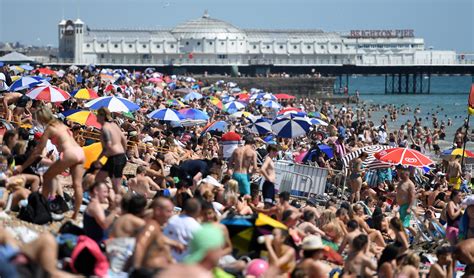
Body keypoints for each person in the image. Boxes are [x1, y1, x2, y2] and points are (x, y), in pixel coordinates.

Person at [16, 106, 85, 219]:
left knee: (47, 176)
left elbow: (37, 151)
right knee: (77, 185)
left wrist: (23, 166)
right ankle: (75, 214)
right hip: (80, 152)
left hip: (69, 153)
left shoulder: (50, 128)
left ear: (42, 118)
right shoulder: (61, 125)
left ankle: (41, 208)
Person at [133, 197, 182, 273]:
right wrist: (136, 270)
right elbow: (140, 245)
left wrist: (174, 243)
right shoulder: (151, 226)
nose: (171, 215)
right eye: (168, 211)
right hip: (149, 272)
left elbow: (159, 238)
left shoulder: (156, 226)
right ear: (158, 211)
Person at [159, 224, 226, 278]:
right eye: (219, 247)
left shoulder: (171, 269)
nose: (221, 251)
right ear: (211, 250)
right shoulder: (203, 275)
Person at [94, 107, 128, 194]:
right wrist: (123, 152)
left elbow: (108, 146)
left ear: (102, 116)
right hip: (119, 157)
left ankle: (125, 201)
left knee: (116, 187)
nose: (96, 116)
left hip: (115, 158)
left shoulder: (105, 128)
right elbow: (124, 139)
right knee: (99, 178)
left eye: (97, 114)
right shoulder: (114, 125)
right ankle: (107, 196)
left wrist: (99, 159)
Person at [163, 198, 202, 262]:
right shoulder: (197, 227)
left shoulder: (171, 220)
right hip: (184, 264)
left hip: (166, 260)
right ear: (198, 210)